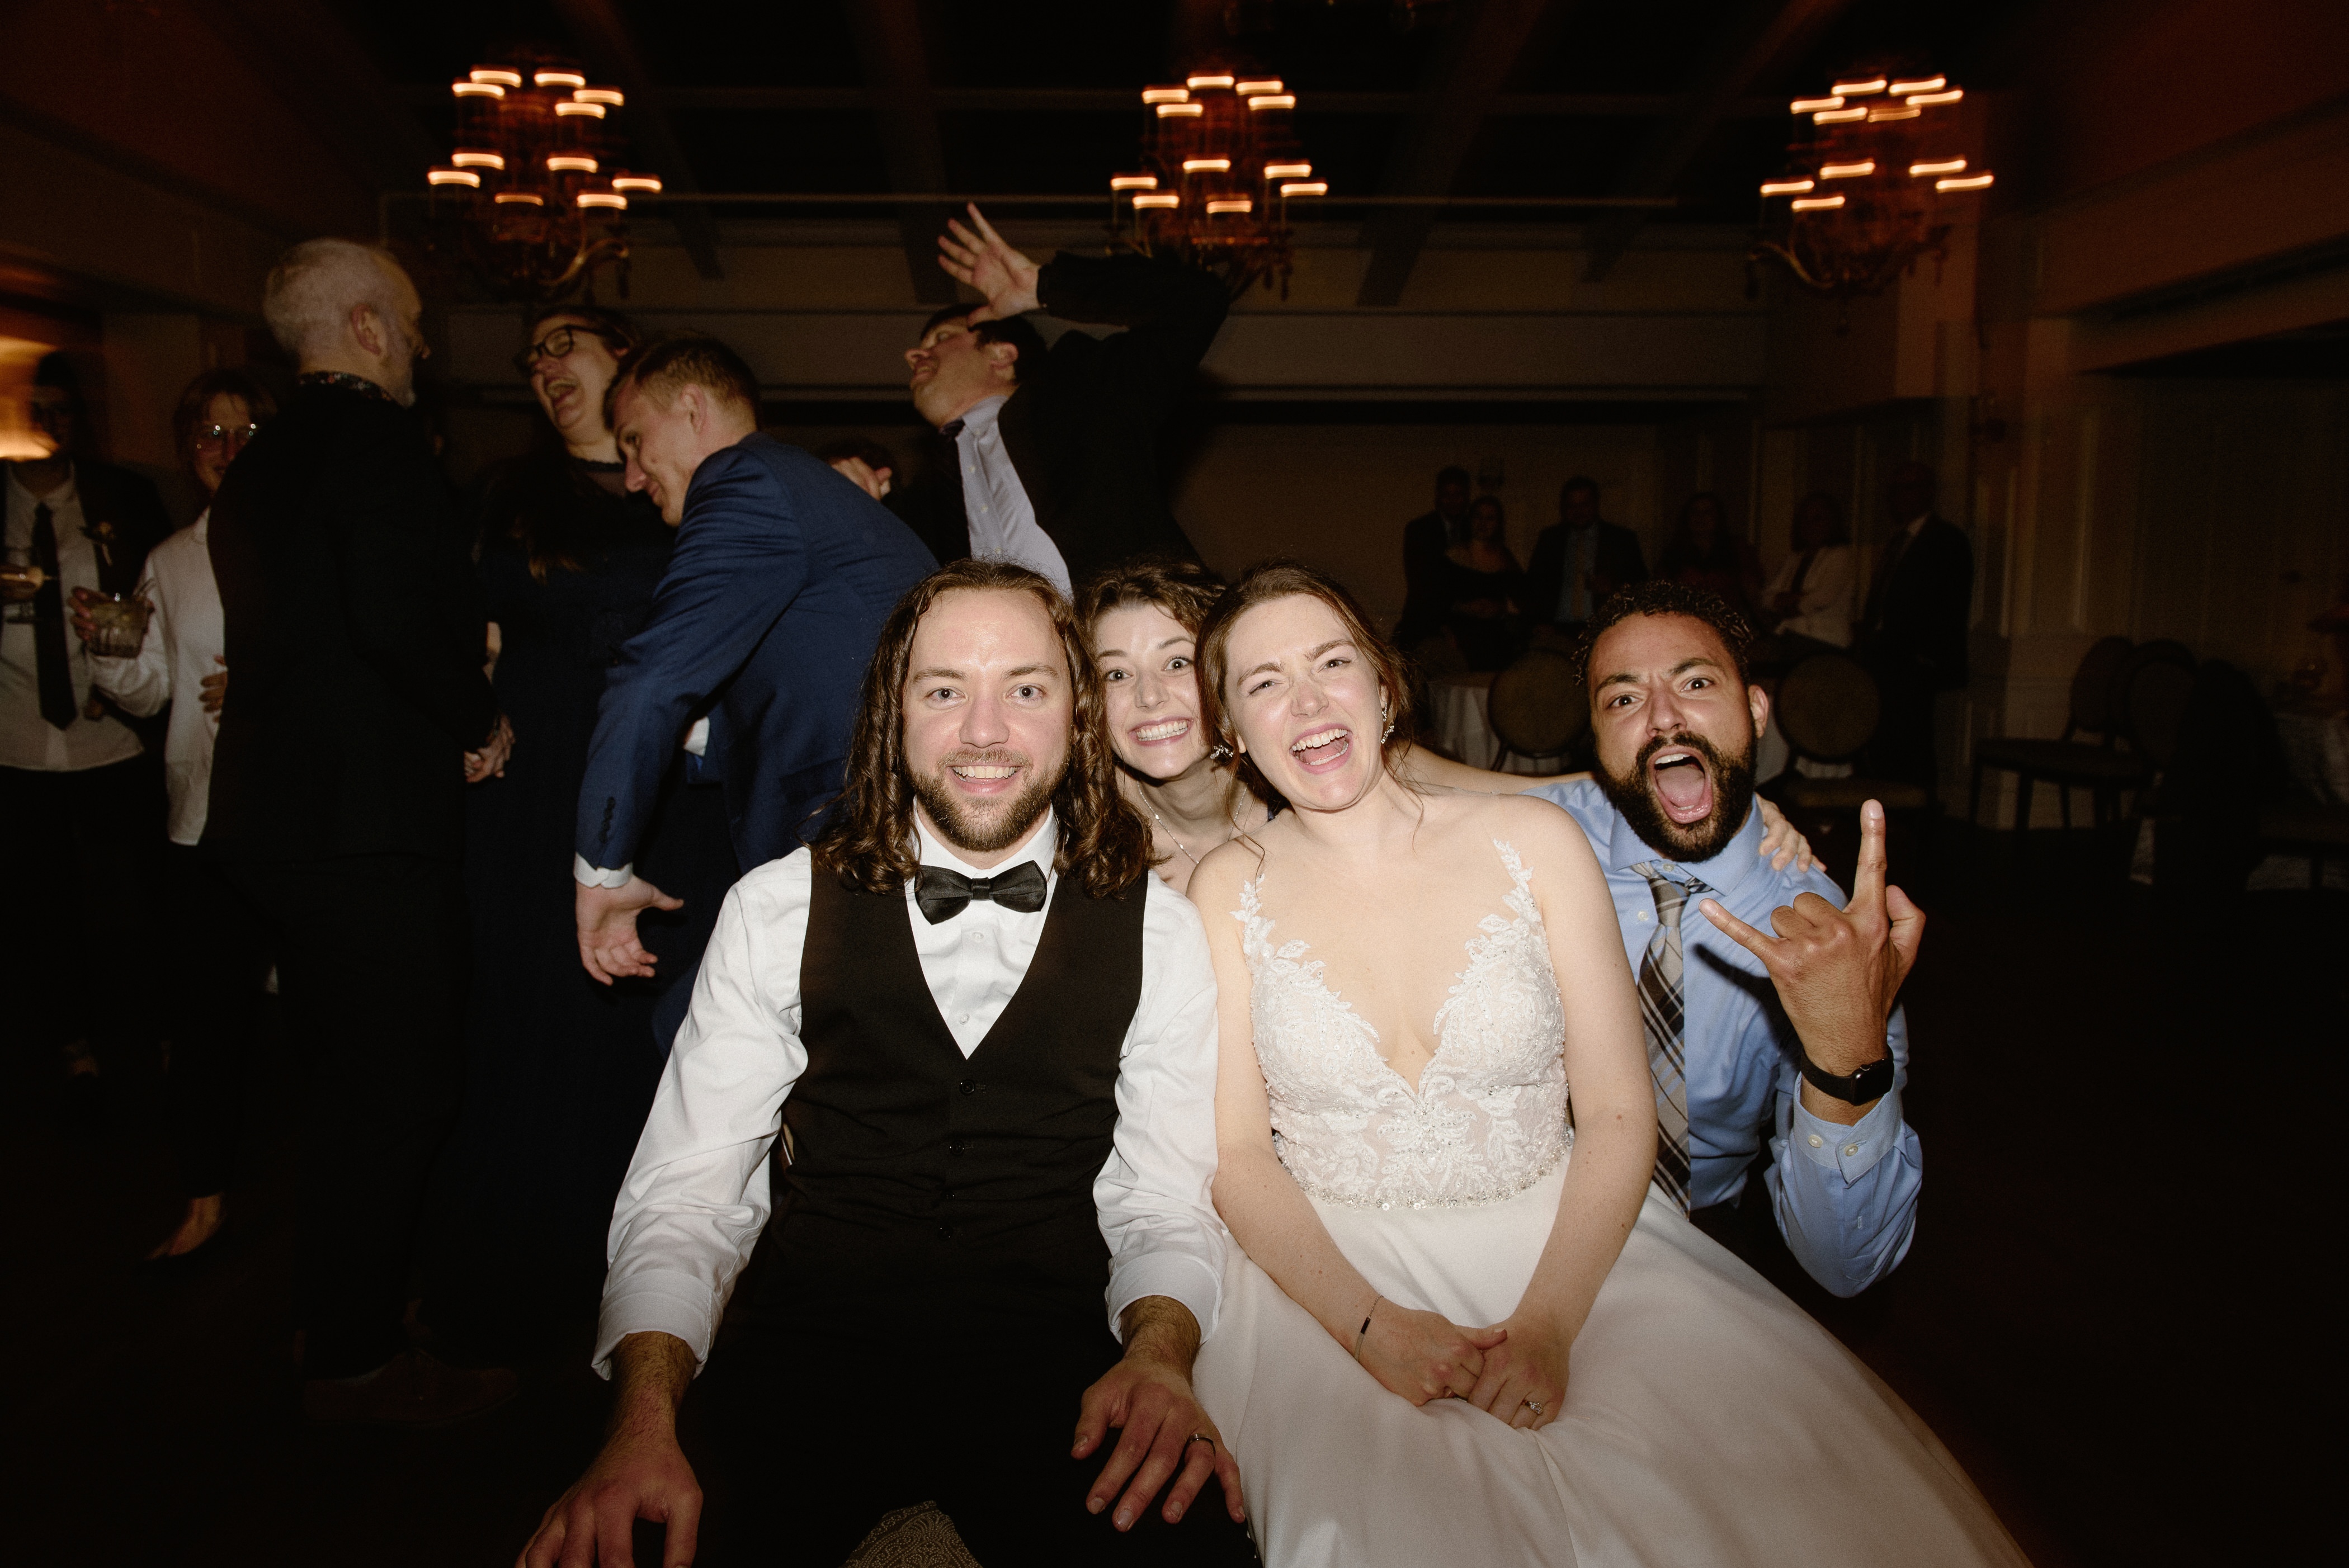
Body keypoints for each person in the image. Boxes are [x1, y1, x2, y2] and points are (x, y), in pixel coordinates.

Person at [1183, 562, 2025, 1567]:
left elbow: (1633, 1123)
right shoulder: (1229, 886)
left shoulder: (1570, 850)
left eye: (1332, 663)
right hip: (1335, 1266)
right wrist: (1370, 1328)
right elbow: (1239, 1153)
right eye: (1265, 681)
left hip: (1594, 1232)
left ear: (1383, 683)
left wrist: (1548, 1324)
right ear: (1231, 728)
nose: (1309, 699)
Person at [523, 561, 1257, 1568]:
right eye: (945, 690)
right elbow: (689, 1196)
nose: (986, 732)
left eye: (1026, 688)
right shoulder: (775, 907)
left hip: (1056, 1362)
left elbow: (1162, 1199)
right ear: (891, 713)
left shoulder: (1163, 930)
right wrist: (642, 1423)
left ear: (1079, 716)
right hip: (808, 1353)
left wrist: (1161, 1358)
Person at [204, 237, 517, 1423]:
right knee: (403, 1089)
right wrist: (480, 716)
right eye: (414, 324)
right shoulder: (381, 444)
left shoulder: (259, 458)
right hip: (368, 822)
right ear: (372, 328)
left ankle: (335, 1318)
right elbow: (394, 621)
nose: (422, 347)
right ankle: (354, 1357)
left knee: (342, 1089)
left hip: (274, 820)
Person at [428, 306, 720, 1357]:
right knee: (525, 1019)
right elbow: (447, 625)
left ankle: (649, 1290)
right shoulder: (506, 491)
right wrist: (463, 712)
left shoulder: (702, 492)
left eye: (566, 342)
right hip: (533, 789)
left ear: (629, 356)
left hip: (666, 800)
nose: (542, 363)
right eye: (532, 353)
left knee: (648, 1036)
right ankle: (517, 1278)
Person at [1526, 580, 1921, 1300]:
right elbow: (1396, 782)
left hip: (1698, 1237)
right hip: (1520, 1214)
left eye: (1697, 683)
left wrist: (1846, 1058)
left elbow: (1846, 1269)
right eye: (1623, 699)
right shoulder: (1535, 834)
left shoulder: (1826, 932)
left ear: (1757, 709)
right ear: (1596, 737)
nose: (1663, 717)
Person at [572, 333, 936, 1047]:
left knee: (703, 1041)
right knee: (706, 1040)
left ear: (693, 407)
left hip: (865, 840)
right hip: (883, 829)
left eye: (637, 441)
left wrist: (602, 868)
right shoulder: (790, 482)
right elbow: (816, 682)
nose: (635, 476)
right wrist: (698, 734)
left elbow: (651, 678)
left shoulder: (743, 478)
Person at [1079, 556, 1816, 898]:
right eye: (1114, 674)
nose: (1149, 696)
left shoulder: (1325, 764)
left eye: (1176, 663)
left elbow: (1532, 794)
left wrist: (1722, 799)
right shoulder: (1080, 819)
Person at [74, 367, 272, 1259]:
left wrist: (269, 686)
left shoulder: (308, 543)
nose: (228, 450)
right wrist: (110, 650)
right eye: (210, 435)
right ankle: (203, 1198)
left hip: (301, 820)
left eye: (246, 433)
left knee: (320, 1027)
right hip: (204, 821)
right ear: (189, 452)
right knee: (204, 1025)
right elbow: (152, 692)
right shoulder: (171, 560)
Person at [887, 204, 1225, 591]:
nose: (913, 355)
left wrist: (1043, 286)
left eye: (942, 338)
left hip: (1144, 620)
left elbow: (1198, 301)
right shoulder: (922, 502)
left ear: (1001, 355)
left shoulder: (1082, 396)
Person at [1, 352, 172, 1112]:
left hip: (112, 735)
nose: (49, 423)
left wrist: (122, 670)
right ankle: (74, 1049)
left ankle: (158, 1033)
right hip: (14, 740)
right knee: (40, 904)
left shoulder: (122, 498)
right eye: (36, 409)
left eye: (63, 409)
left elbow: (158, 604)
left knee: (135, 895)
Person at [1857, 460, 1973, 794]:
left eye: (1907, 488)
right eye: (1894, 490)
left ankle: (1918, 815)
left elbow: (1947, 603)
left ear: (1927, 493)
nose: (1898, 497)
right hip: (1885, 657)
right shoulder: (1899, 541)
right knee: (1885, 743)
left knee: (1913, 746)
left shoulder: (1946, 540)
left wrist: (1923, 656)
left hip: (1914, 662)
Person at [1526, 474, 1645, 636]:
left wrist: (1614, 587)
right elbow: (1533, 585)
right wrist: (1538, 621)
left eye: (1584, 504)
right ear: (1564, 507)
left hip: (1604, 629)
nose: (1578, 511)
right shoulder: (1551, 540)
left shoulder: (1621, 540)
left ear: (1596, 504)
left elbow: (1641, 585)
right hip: (1556, 630)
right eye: (1572, 506)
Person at [1437, 493, 1530, 670]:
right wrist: (1463, 608)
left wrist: (1502, 608)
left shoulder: (1506, 558)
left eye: (1490, 518)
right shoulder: (1453, 556)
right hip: (1461, 634)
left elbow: (1524, 600)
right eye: (1478, 516)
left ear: (1498, 523)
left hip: (1497, 635)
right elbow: (1437, 601)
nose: (1483, 523)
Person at [1760, 490, 1856, 650]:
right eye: (1805, 519)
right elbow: (1767, 597)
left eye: (1817, 519)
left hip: (1826, 641)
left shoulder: (1840, 555)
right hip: (1792, 637)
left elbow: (1823, 597)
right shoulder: (1795, 558)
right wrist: (1798, 597)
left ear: (1832, 522)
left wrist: (1788, 602)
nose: (1810, 526)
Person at [1391, 465, 1471, 650]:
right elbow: (1421, 583)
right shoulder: (1420, 529)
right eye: (1447, 495)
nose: (1453, 501)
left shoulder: (1473, 527)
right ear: (1438, 496)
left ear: (1467, 496)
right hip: (1425, 617)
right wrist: (1443, 622)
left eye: (1458, 494)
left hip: (1467, 621)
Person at [1655, 490, 1762, 620]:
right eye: (1695, 512)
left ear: (1718, 517)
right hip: (1684, 621)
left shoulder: (1738, 550)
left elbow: (1752, 592)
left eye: (1708, 512)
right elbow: (1661, 594)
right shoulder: (1673, 554)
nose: (1700, 517)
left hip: (1727, 621)